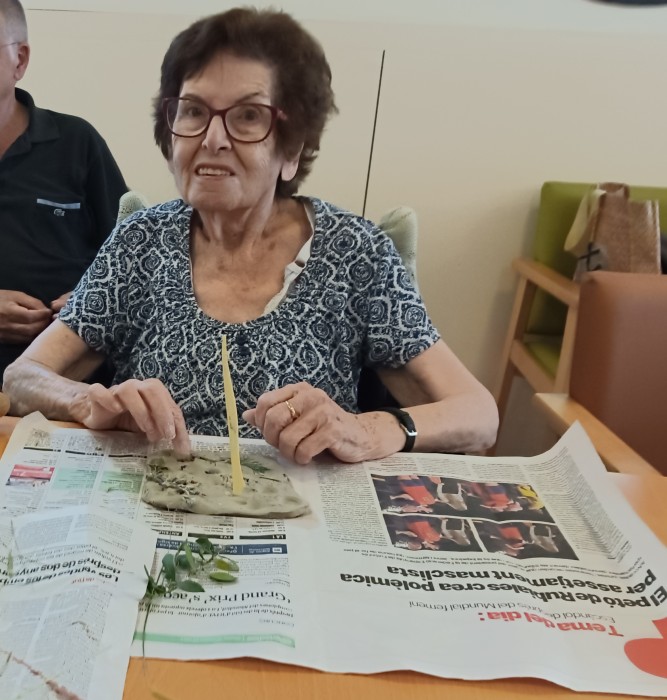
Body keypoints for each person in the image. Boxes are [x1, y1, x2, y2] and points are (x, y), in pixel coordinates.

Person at [3, 8, 498, 465]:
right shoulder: (141, 241)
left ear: (291, 150)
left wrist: (369, 431)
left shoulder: (356, 252)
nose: (212, 138)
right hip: (155, 505)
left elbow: (478, 416)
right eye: (193, 111)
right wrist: (88, 401)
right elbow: (22, 377)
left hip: (301, 516)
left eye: (248, 116)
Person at [0, 0, 127, 378]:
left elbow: (134, 261)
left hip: (70, 379)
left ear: (20, 60)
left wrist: (89, 303)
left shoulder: (76, 143)